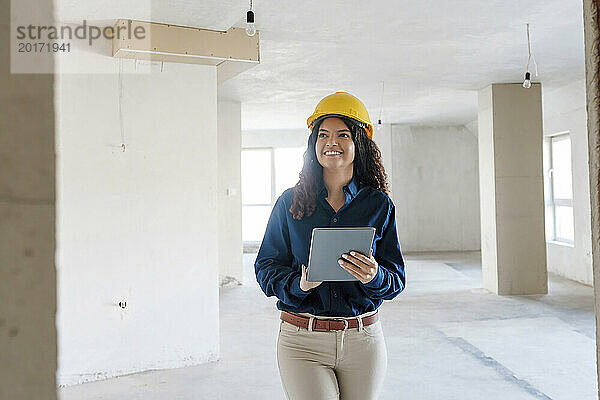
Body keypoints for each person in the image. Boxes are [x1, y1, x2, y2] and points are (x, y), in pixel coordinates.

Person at [254, 91, 406, 400]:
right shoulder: (289, 202)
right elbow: (265, 267)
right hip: (302, 341)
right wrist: (299, 284)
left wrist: (374, 276)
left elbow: (396, 279)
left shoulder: (379, 205)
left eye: (342, 135)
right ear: (314, 143)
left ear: (359, 143)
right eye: (322, 134)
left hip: (363, 340)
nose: (330, 142)